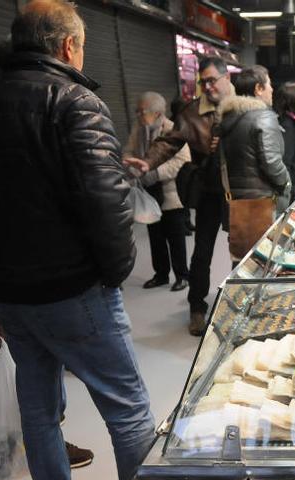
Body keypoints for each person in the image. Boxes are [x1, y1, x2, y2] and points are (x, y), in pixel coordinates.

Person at [0, 1, 155, 480]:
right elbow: (106, 205)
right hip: (74, 290)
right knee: (128, 411)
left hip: (8, 296)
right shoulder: (73, 101)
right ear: (69, 46)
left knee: (39, 411)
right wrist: (113, 273)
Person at [0, 38, 97, 472]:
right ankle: (5, 441)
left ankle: (4, 442)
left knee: (14, 369)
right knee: (32, 369)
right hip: (7, 278)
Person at [124, 57, 234, 336]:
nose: (208, 86)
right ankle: (196, 307)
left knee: (242, 250)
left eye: (212, 80)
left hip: (241, 192)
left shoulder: (243, 106)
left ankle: (240, 302)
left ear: (227, 79)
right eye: (203, 81)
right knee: (203, 251)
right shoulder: (192, 113)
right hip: (210, 190)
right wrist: (148, 162)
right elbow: (170, 142)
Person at [217, 66, 291, 262]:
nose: (272, 90)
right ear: (258, 88)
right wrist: (286, 183)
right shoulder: (263, 117)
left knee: (242, 261)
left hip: (237, 202)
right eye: (269, 84)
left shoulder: (229, 117)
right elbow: (272, 161)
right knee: (264, 260)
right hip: (263, 204)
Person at [124, 92, 192, 291]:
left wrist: (152, 173)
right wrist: (132, 165)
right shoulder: (139, 129)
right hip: (148, 191)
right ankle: (161, 274)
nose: (137, 114)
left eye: (141, 111)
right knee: (155, 236)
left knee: (176, 237)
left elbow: (182, 161)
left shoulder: (173, 129)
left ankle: (182, 276)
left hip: (171, 193)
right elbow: (128, 151)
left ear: (157, 113)